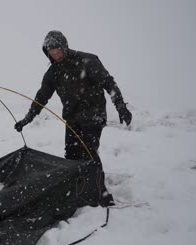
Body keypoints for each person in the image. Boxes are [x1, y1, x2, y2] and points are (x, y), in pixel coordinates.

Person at [14, 30, 132, 163]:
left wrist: (120, 106)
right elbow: (42, 96)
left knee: (89, 155)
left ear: (64, 47)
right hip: (72, 118)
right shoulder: (53, 72)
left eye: (58, 51)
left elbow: (108, 83)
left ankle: (95, 182)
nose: (56, 55)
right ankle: (77, 183)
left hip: (93, 115)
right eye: (52, 53)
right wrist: (27, 118)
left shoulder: (87, 61)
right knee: (71, 156)